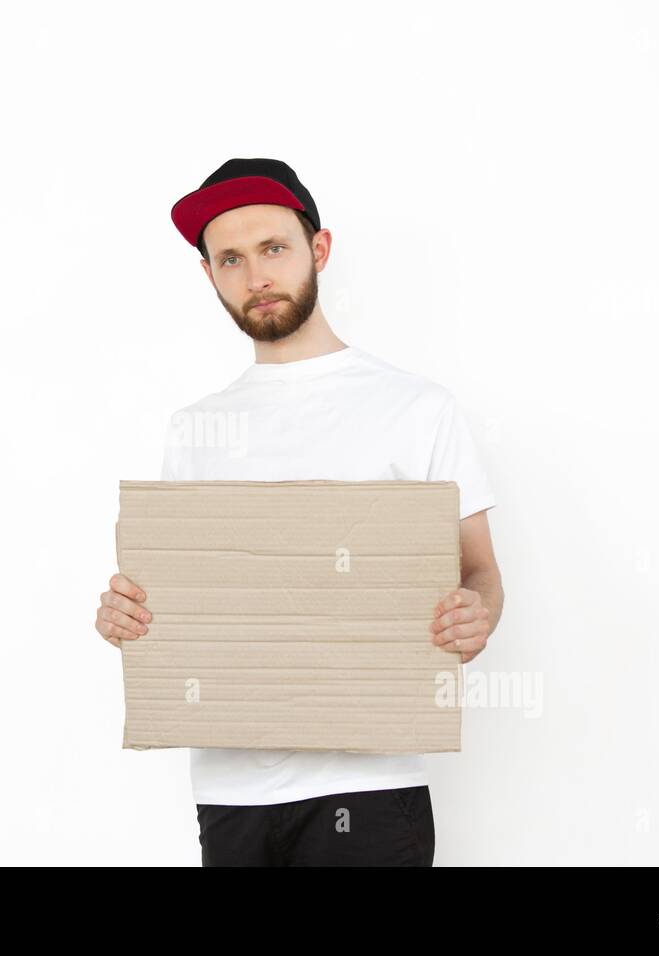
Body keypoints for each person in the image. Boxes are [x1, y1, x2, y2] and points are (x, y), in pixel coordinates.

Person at [94, 158, 505, 866]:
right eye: (230, 258)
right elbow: (178, 597)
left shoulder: (416, 409)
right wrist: (128, 616)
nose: (255, 276)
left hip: (371, 786)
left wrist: (478, 614)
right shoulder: (196, 428)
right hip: (231, 793)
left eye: (273, 249)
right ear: (209, 276)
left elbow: (480, 573)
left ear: (318, 250)